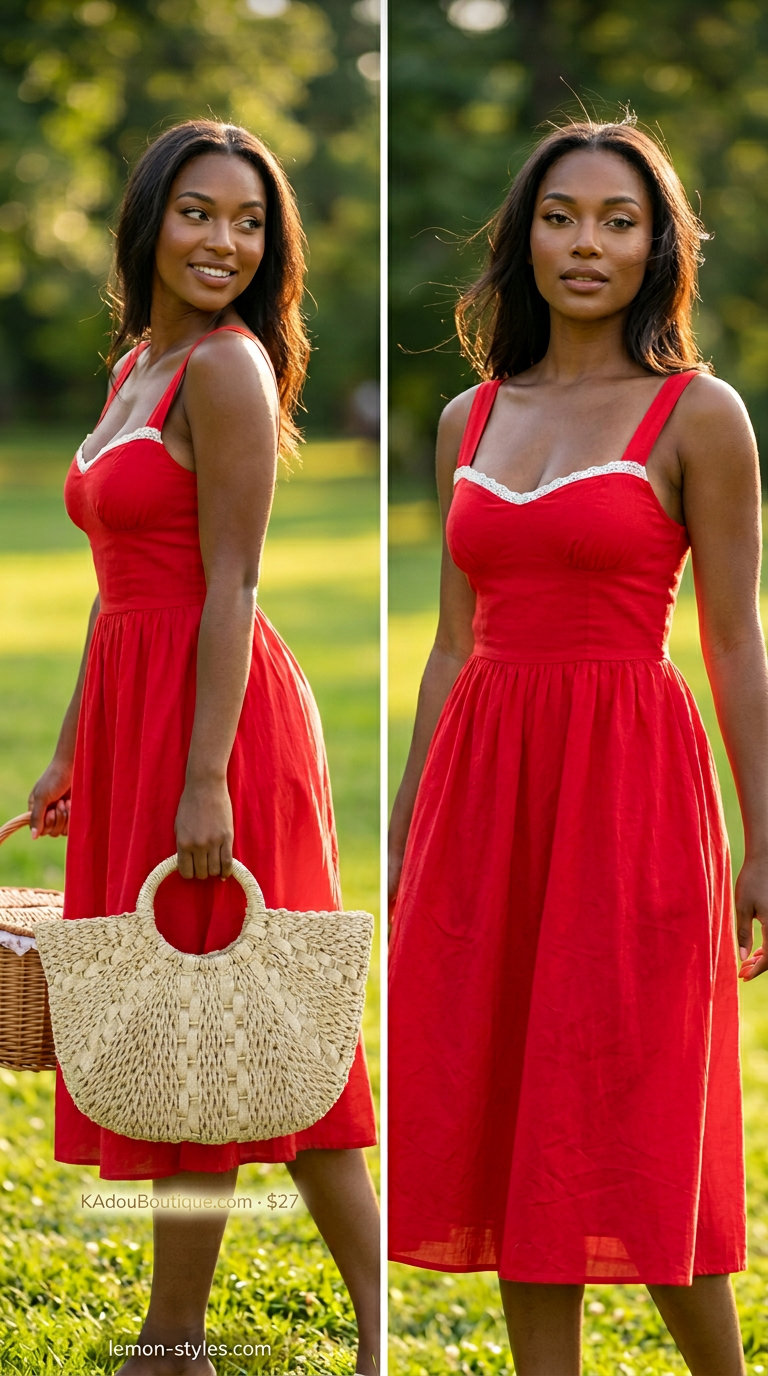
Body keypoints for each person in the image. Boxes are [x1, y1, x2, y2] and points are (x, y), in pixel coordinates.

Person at [388, 116, 768, 1376]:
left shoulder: (698, 412)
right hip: (487, 793)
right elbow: (452, 641)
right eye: (561, 217)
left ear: (660, 244)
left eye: (618, 219)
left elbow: (734, 643)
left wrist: (766, 838)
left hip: (631, 792)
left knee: (636, 1111)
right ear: (523, 238)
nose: (586, 243)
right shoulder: (468, 417)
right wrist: (408, 812)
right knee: (508, 1114)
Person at [28, 119, 379, 1376]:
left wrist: (202, 774)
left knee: (244, 1013)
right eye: (198, 213)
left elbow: (230, 582)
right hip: (137, 707)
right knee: (214, 1020)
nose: (223, 239)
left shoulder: (224, 369)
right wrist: (74, 745)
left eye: (248, 221)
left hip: (215, 719)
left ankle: (189, 1340)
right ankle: (218, 1333)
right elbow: (119, 585)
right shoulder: (137, 365)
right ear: (150, 223)